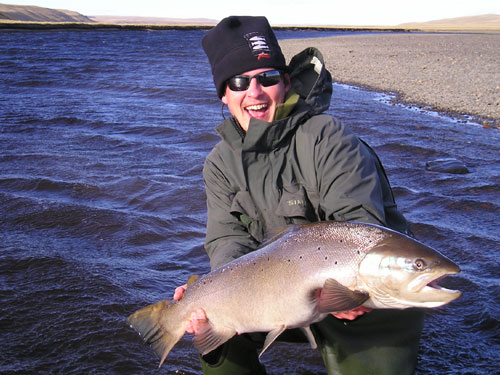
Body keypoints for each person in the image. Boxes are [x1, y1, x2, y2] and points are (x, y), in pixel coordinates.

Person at [174, 15, 424, 375]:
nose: (255, 93)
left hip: (361, 299)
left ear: (286, 81)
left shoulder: (330, 138)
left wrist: (346, 291)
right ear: (224, 96)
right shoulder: (219, 164)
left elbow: (361, 231)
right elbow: (227, 240)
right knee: (216, 338)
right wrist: (212, 292)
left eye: (268, 78)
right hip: (280, 296)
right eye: (239, 82)